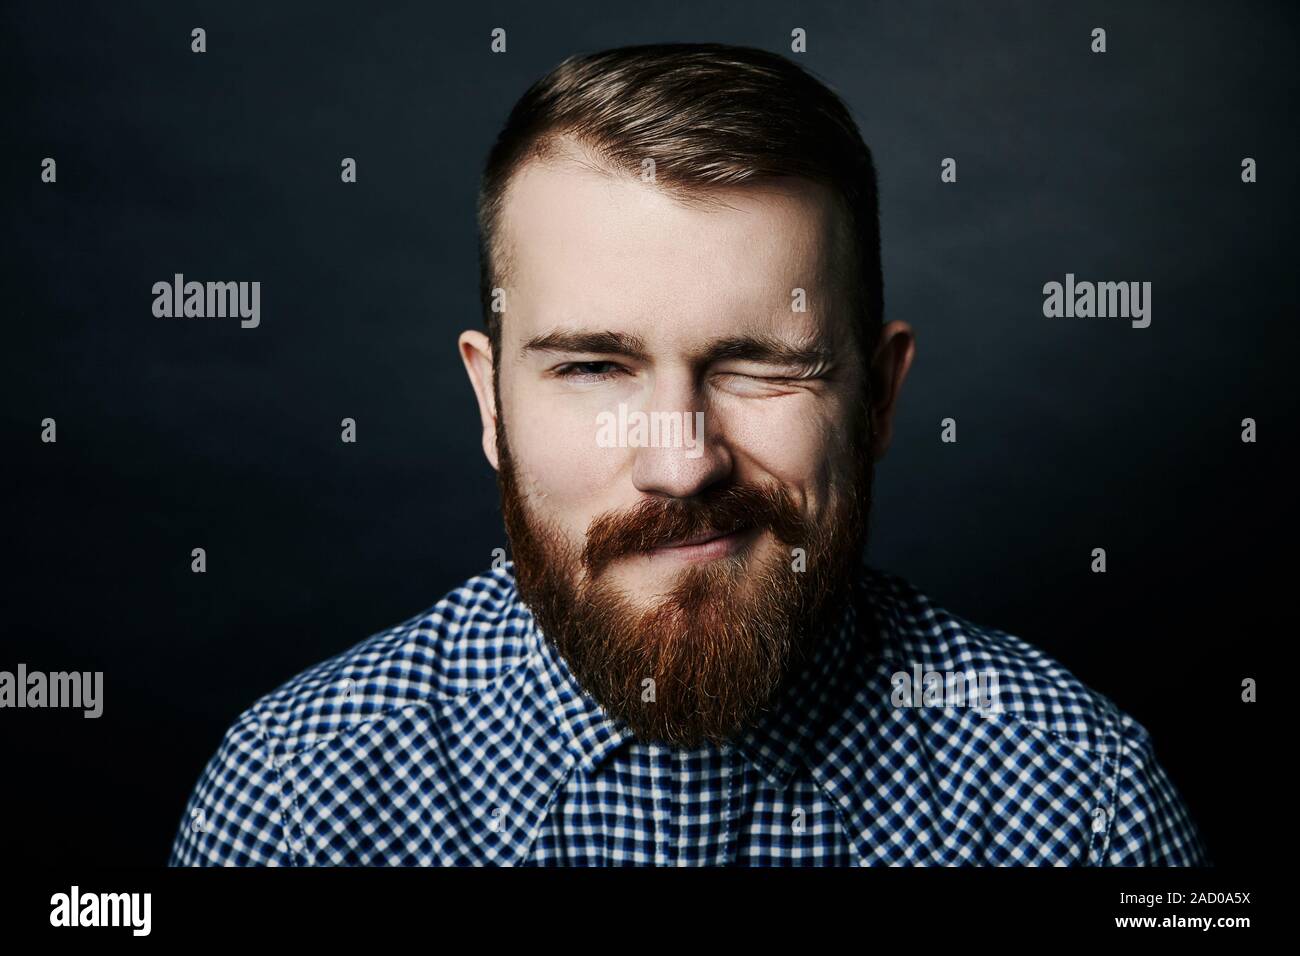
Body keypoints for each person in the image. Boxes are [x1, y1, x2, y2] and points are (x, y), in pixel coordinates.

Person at [170, 43, 1207, 866]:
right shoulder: (298, 794)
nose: (680, 463)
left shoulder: (1078, 796)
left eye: (759, 367)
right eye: (591, 367)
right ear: (490, 398)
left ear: (880, 397)